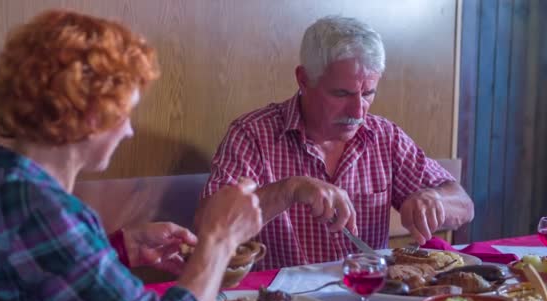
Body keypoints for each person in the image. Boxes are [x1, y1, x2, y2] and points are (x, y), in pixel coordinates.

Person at [0, 10, 262, 301]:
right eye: (124, 114)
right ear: (92, 112)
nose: (129, 131)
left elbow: (41, 273)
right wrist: (219, 239)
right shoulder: (39, 209)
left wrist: (123, 248)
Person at [201, 16, 474, 270]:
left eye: (368, 93)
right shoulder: (252, 135)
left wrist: (434, 199)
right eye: (342, 93)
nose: (358, 112)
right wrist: (290, 189)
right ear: (304, 79)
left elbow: (464, 205)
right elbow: (208, 226)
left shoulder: (384, 136)